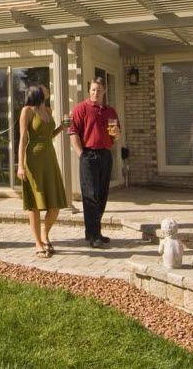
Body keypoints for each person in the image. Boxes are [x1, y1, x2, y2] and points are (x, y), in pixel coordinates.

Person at [68, 77, 121, 248]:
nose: (95, 93)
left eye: (98, 90)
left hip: (105, 155)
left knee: (102, 195)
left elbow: (114, 135)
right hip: (88, 156)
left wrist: (114, 135)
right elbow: (73, 132)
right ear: (89, 90)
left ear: (104, 91)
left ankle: (93, 232)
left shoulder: (110, 111)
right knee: (90, 196)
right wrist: (81, 155)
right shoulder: (81, 109)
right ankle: (93, 235)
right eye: (92, 90)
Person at [17, 85, 69, 258]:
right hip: (33, 160)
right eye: (44, 88)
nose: (48, 89)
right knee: (35, 204)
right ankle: (38, 242)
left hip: (49, 159)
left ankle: (45, 235)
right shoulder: (27, 111)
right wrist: (20, 165)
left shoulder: (48, 109)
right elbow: (23, 138)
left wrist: (61, 127)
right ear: (38, 93)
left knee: (55, 205)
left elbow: (48, 135)